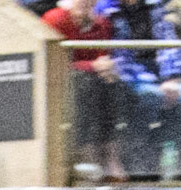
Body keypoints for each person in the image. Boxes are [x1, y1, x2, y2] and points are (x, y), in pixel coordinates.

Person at [99, 0, 181, 178]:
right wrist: (148, 79)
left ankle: (167, 153)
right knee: (150, 95)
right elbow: (114, 53)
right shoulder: (107, 9)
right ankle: (134, 155)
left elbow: (169, 43)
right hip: (125, 74)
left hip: (160, 73)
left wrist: (172, 78)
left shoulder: (157, 6)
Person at [43, 0, 127, 180]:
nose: (85, 3)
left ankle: (110, 154)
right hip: (60, 81)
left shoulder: (101, 23)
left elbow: (101, 57)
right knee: (84, 82)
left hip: (92, 80)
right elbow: (52, 60)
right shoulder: (55, 19)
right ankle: (85, 153)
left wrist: (107, 67)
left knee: (112, 83)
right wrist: (91, 65)